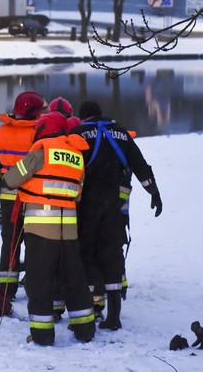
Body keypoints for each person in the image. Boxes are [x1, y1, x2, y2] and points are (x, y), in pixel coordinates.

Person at [3, 112, 96, 346]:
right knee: (75, 279)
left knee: (39, 281)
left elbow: (12, 179)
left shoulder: (41, 151)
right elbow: (79, 192)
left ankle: (42, 334)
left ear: (43, 128)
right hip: (69, 231)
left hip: (41, 229)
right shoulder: (76, 154)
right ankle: (85, 329)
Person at [71, 100, 162, 331]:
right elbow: (140, 165)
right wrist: (154, 192)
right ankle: (114, 317)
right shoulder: (121, 133)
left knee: (88, 254)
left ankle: (91, 311)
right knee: (112, 256)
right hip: (115, 205)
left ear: (83, 118)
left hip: (88, 207)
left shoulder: (78, 133)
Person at [0, 90, 47, 299]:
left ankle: (6, 288)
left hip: (7, 197)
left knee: (10, 242)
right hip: (32, 198)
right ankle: (31, 283)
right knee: (33, 242)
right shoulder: (39, 134)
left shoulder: (1, 132)